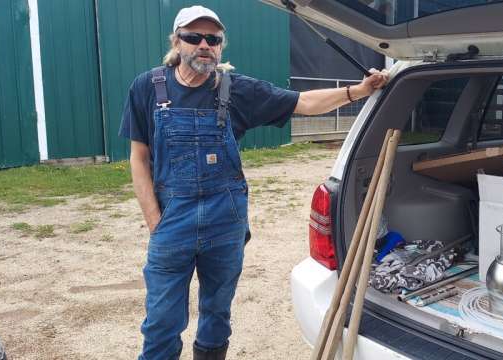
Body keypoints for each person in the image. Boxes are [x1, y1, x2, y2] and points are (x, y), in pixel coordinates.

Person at [118, 5, 387, 360]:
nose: (204, 45)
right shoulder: (147, 87)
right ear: (176, 41)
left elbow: (303, 103)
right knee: (161, 322)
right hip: (172, 222)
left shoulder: (236, 90)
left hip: (224, 223)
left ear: (220, 45)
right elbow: (139, 158)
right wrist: (155, 221)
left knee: (217, 314)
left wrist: (359, 90)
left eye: (213, 39)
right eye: (193, 37)